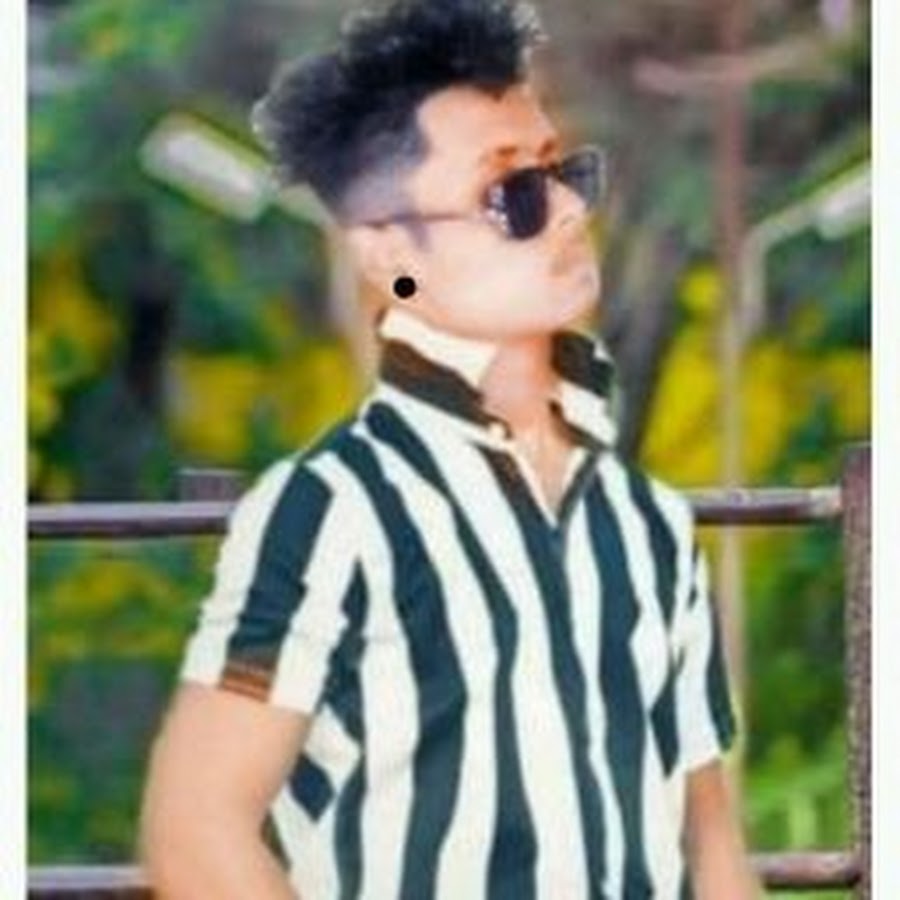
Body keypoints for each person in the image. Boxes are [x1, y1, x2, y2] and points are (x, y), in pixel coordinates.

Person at [140, 1, 761, 897]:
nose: (565, 213)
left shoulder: (646, 522)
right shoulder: (334, 510)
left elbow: (709, 840)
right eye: (511, 195)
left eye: (565, 174)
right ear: (392, 252)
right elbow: (197, 828)